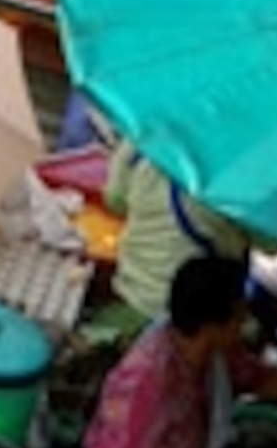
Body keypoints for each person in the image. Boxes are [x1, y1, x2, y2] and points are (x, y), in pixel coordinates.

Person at [77, 250, 252, 448]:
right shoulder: (148, 383)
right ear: (213, 324)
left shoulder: (208, 358)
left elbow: (259, 376)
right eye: (239, 315)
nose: (245, 322)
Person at [99, 137, 250, 333]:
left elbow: (114, 200)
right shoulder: (242, 159)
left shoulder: (141, 135)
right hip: (198, 320)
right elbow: (271, 242)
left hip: (132, 292)